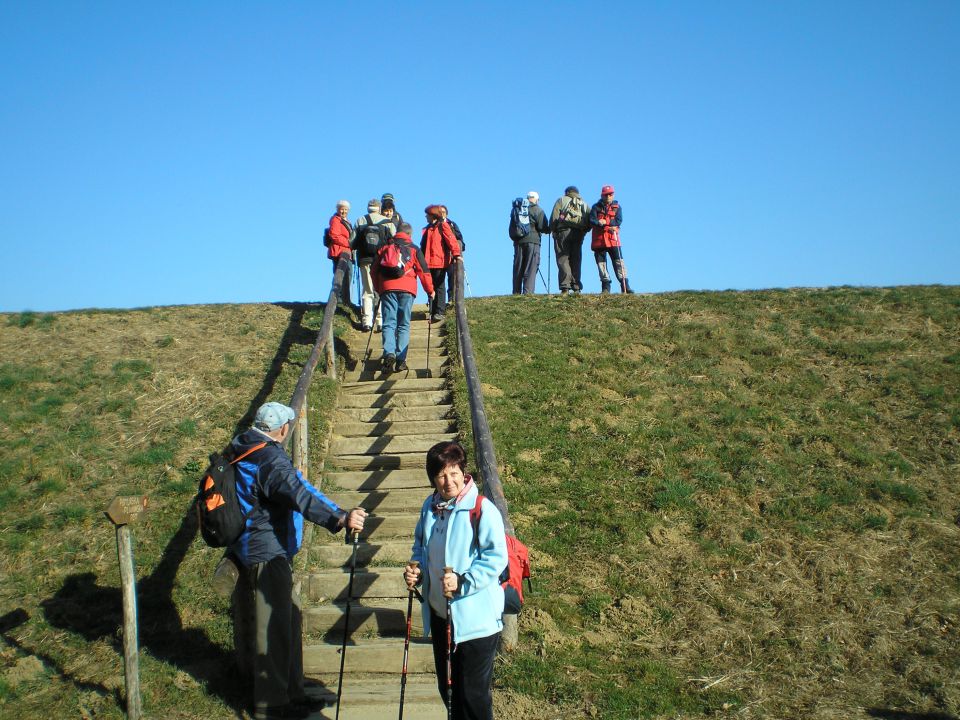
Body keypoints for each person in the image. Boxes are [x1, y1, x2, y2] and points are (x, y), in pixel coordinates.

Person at [229, 401, 367, 720]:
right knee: (274, 627)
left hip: (258, 546)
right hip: (267, 550)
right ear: (281, 429)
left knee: (287, 619)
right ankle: (273, 704)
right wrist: (341, 518)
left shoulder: (242, 447)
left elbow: (298, 489)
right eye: (288, 426)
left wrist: (339, 514)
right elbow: (300, 495)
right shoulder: (269, 460)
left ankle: (291, 692)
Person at [404, 441, 508, 720]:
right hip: (442, 616)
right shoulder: (430, 505)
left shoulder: (481, 509)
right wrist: (418, 571)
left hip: (476, 622)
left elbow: (497, 558)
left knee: (472, 697)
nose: (448, 481)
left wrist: (464, 581)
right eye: (440, 475)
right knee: (448, 692)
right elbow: (420, 546)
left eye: (453, 472)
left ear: (463, 472)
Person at [373, 222, 435, 373]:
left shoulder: (384, 248)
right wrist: (430, 291)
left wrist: (379, 288)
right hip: (407, 289)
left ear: (397, 233)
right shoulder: (414, 249)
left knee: (389, 323)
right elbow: (424, 272)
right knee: (404, 324)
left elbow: (373, 271)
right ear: (410, 235)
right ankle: (401, 360)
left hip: (387, 288)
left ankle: (389, 353)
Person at [353, 198, 396, 332]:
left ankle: (367, 321)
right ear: (379, 208)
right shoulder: (388, 222)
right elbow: (394, 241)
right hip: (382, 260)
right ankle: (380, 321)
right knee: (381, 289)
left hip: (365, 260)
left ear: (368, 208)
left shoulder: (360, 220)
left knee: (367, 290)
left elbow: (352, 242)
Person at [421, 205, 462, 323]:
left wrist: (456, 254)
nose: (425, 217)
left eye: (427, 215)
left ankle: (439, 311)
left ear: (432, 215)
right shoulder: (428, 229)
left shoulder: (442, 226)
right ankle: (433, 311)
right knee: (431, 286)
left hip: (439, 261)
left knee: (439, 286)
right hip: (428, 262)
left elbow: (451, 240)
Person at [589, 185, 634, 294]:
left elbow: (619, 221)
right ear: (602, 195)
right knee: (601, 264)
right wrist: (600, 223)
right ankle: (605, 287)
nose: (609, 196)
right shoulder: (595, 207)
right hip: (599, 241)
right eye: (606, 194)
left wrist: (606, 222)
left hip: (613, 240)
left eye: (611, 194)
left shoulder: (617, 207)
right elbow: (592, 220)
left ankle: (625, 286)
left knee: (619, 263)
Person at [549, 186, 591, 294]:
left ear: (567, 192)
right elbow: (590, 222)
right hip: (578, 233)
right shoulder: (584, 204)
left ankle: (565, 287)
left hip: (562, 232)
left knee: (563, 258)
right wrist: (583, 231)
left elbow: (554, 218)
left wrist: (553, 229)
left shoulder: (562, 200)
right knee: (576, 259)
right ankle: (576, 286)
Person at [510, 190, 549, 295]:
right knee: (530, 267)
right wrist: (549, 229)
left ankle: (516, 293)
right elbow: (543, 227)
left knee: (518, 267)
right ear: (536, 199)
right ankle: (528, 293)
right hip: (533, 242)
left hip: (518, 242)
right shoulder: (537, 209)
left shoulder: (517, 208)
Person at [327, 200, 355, 306]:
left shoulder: (347, 221)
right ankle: (338, 299)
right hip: (339, 252)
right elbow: (334, 235)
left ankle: (345, 299)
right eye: (341, 209)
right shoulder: (335, 220)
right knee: (340, 274)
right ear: (337, 209)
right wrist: (349, 243)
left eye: (345, 209)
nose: (343, 211)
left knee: (348, 274)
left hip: (346, 252)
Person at [438, 204, 465, 308]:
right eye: (440, 212)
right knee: (439, 280)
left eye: (443, 212)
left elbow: (459, 238)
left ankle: (451, 299)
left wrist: (458, 250)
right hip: (439, 257)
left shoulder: (452, 224)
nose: (442, 214)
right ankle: (439, 304)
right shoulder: (434, 225)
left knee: (452, 277)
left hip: (450, 256)